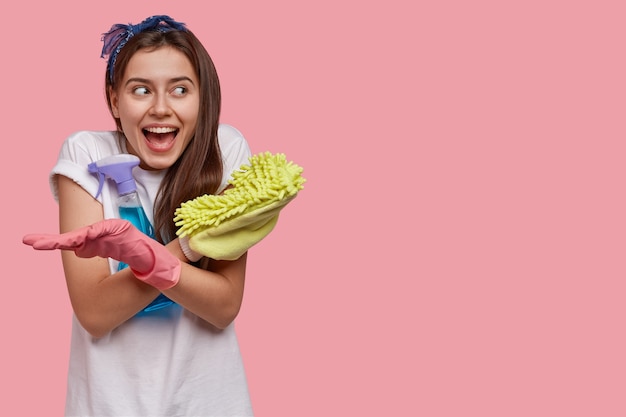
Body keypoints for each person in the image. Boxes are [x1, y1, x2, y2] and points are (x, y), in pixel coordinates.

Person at [23, 15, 254, 416]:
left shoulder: (224, 151)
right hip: (110, 405)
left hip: (210, 403)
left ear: (203, 98)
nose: (161, 108)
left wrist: (151, 256)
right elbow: (96, 314)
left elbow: (223, 307)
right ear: (115, 100)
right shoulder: (87, 154)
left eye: (180, 90)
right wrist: (185, 251)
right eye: (141, 90)